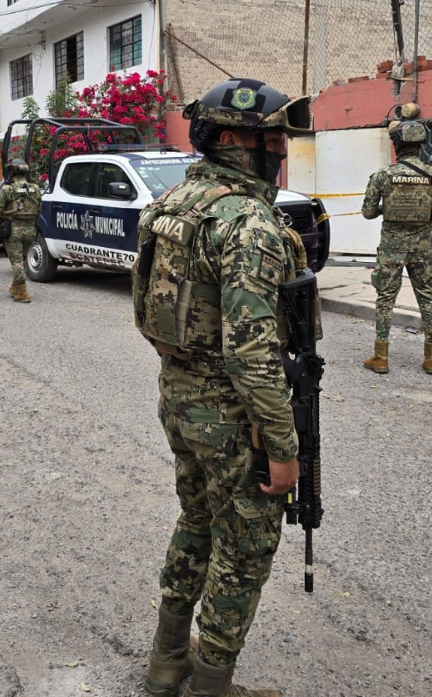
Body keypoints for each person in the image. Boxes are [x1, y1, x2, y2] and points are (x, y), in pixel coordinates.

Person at [133, 78, 312, 697]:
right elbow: (253, 353)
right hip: (233, 414)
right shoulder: (249, 222)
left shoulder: (175, 202)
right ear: (235, 138)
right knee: (246, 546)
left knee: (196, 521)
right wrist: (285, 451)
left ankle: (165, 665)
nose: (281, 148)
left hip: (178, 395)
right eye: (272, 136)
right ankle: (211, 685)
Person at [360, 119, 432, 374]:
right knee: (427, 298)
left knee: (385, 298)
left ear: (396, 144)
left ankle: (381, 357)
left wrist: (387, 208)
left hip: (391, 245)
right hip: (423, 245)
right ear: (421, 145)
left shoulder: (383, 174)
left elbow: (367, 212)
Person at [0, 159, 42, 303]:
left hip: (13, 230)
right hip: (31, 230)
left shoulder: (7, 189)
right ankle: (14, 288)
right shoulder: (35, 188)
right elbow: (39, 209)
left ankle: (23, 293)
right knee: (22, 260)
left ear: (11, 173)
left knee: (16, 262)